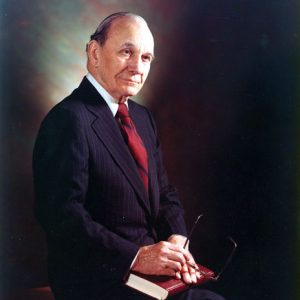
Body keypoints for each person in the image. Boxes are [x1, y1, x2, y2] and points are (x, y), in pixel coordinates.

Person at [33, 12, 225, 300]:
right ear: (94, 53)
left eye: (146, 58)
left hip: (146, 275)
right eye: (127, 52)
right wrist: (136, 257)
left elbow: (165, 193)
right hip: (98, 280)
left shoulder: (141, 117)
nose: (137, 67)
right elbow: (62, 217)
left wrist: (177, 239)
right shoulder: (68, 119)